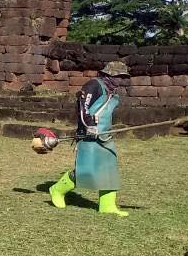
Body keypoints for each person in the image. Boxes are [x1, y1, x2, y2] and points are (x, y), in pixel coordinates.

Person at [49, 61, 132, 216]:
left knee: (109, 169)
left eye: (123, 77)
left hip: (104, 136)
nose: (121, 80)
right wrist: (89, 126)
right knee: (86, 170)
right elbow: (83, 106)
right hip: (89, 135)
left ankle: (107, 206)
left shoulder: (112, 91)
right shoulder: (93, 85)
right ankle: (57, 190)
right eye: (119, 76)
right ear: (109, 75)